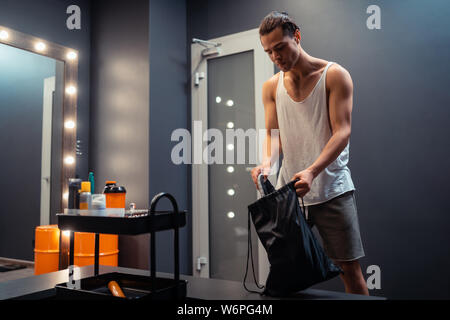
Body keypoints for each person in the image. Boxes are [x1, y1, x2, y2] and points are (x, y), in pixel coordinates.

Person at [251, 11, 369, 295]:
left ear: (298, 36)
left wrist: (313, 171)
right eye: (269, 52)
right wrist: (266, 163)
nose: (275, 57)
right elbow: (272, 135)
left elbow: (342, 131)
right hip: (288, 196)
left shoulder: (335, 75)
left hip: (331, 189)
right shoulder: (271, 87)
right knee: (286, 273)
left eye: (280, 47)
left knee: (350, 273)